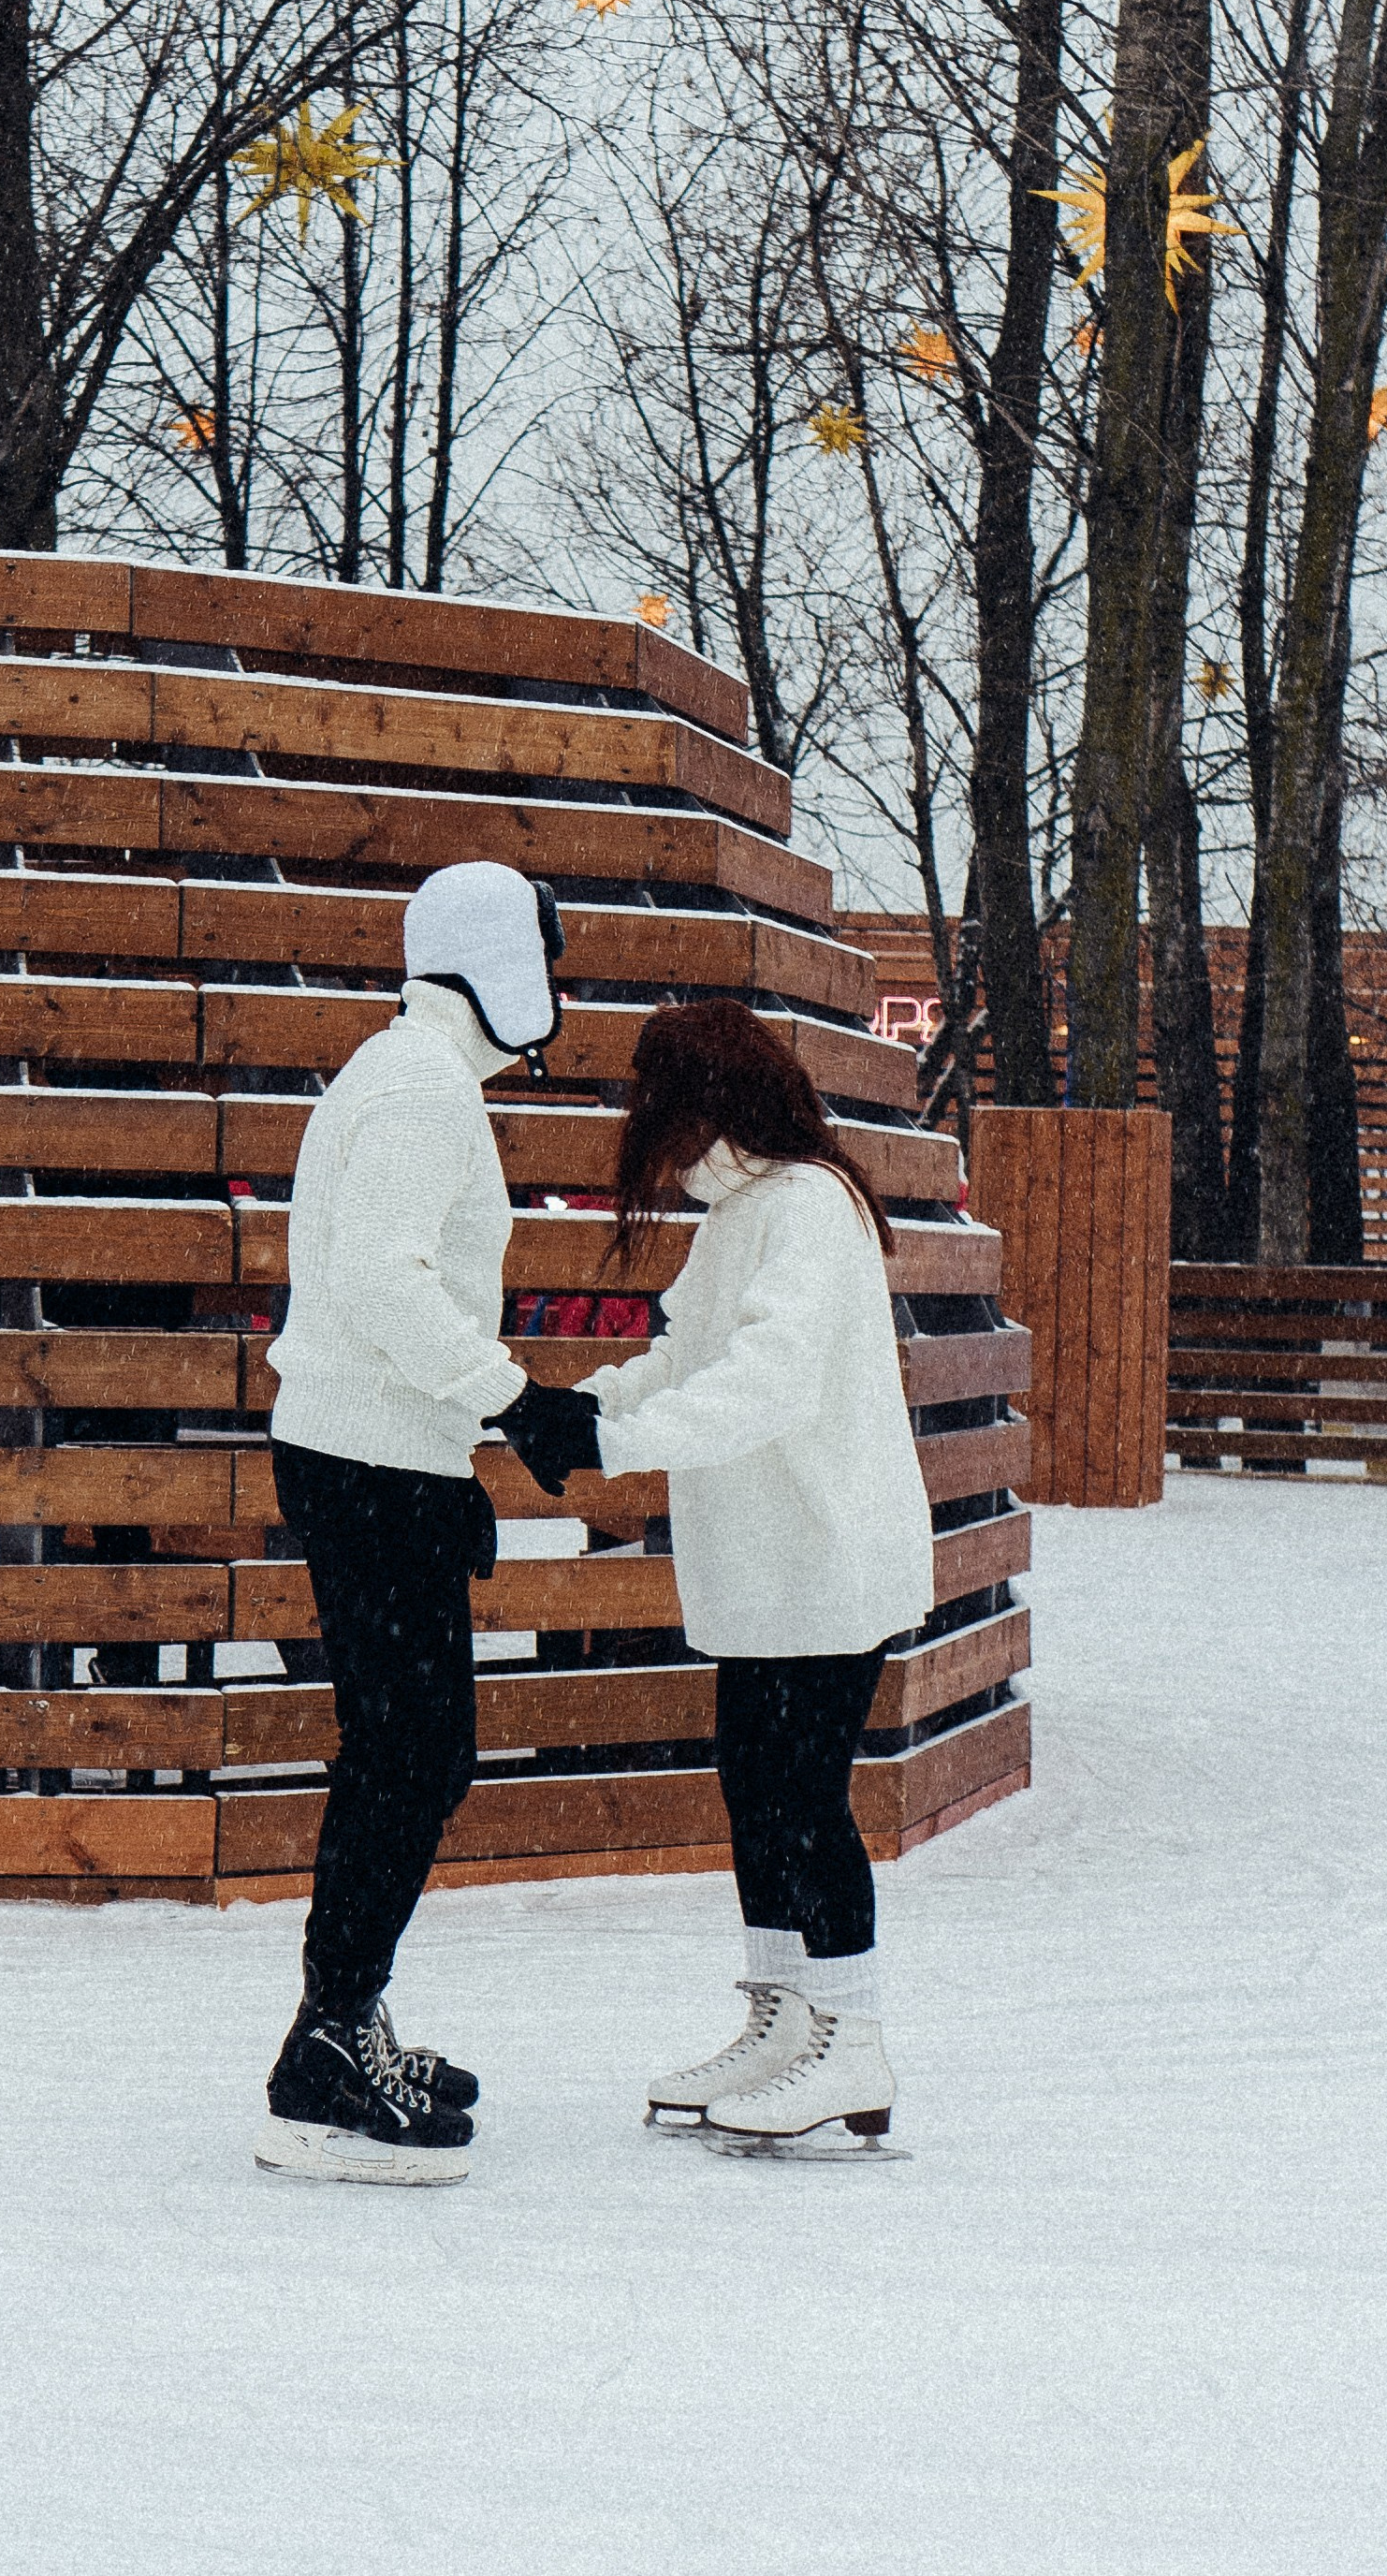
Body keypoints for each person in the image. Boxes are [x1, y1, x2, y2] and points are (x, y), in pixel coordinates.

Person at [522, 997, 935, 2155]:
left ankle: (849, 2037)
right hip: (761, 1564)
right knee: (756, 1795)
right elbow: (685, 1357)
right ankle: (784, 2014)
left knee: (805, 1804)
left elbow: (763, 1383)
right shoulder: (744, 1211)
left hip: (822, 1553)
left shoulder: (807, 1207)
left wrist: (608, 1446)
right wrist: (585, 1405)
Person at [253, 858, 577, 2187]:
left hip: (379, 1459)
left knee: (407, 1750)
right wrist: (514, 1401)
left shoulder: (413, 1075)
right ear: (500, 957)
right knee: (409, 1753)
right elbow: (376, 1277)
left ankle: (342, 2018)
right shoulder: (416, 1088)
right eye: (550, 954)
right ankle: (326, 2053)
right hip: (367, 1463)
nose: (559, 984)